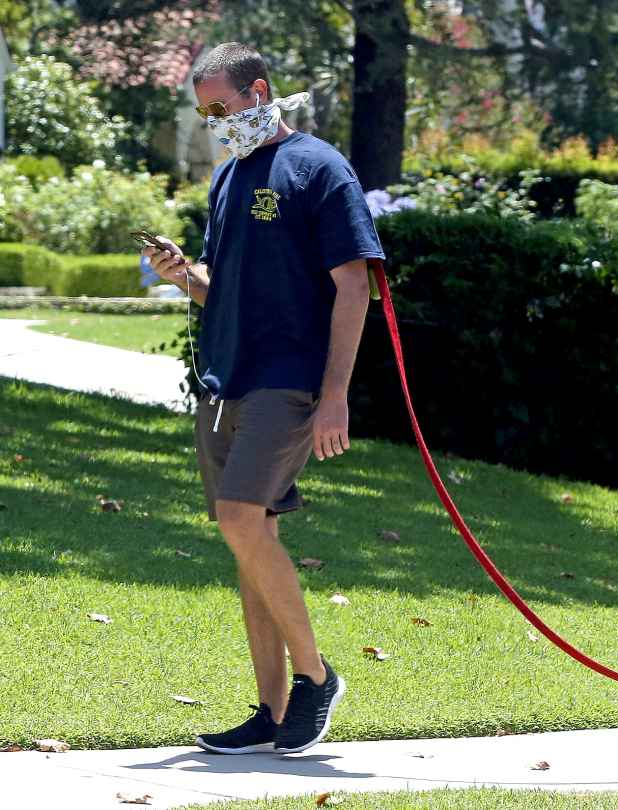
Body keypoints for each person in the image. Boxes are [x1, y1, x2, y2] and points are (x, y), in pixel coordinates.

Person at [143, 42, 385, 755]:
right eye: (205, 112)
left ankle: (317, 679)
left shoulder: (318, 167)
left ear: (259, 91)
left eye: (221, 107)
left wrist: (336, 393)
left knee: (240, 515)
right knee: (250, 539)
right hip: (227, 381)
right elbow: (225, 291)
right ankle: (273, 713)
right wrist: (182, 274)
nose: (215, 121)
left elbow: (354, 285)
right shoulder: (229, 179)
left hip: (288, 379)